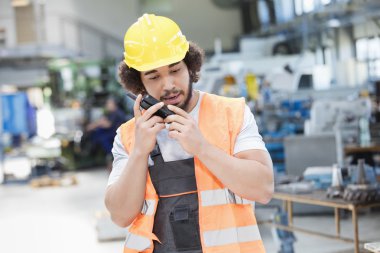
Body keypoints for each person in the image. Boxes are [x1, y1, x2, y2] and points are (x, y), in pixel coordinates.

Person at [105, 14, 274, 253]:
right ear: (139, 83)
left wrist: (202, 148)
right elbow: (120, 216)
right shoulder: (129, 135)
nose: (169, 85)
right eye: (154, 77)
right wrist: (139, 153)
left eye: (175, 70)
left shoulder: (231, 113)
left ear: (190, 66)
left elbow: (263, 189)